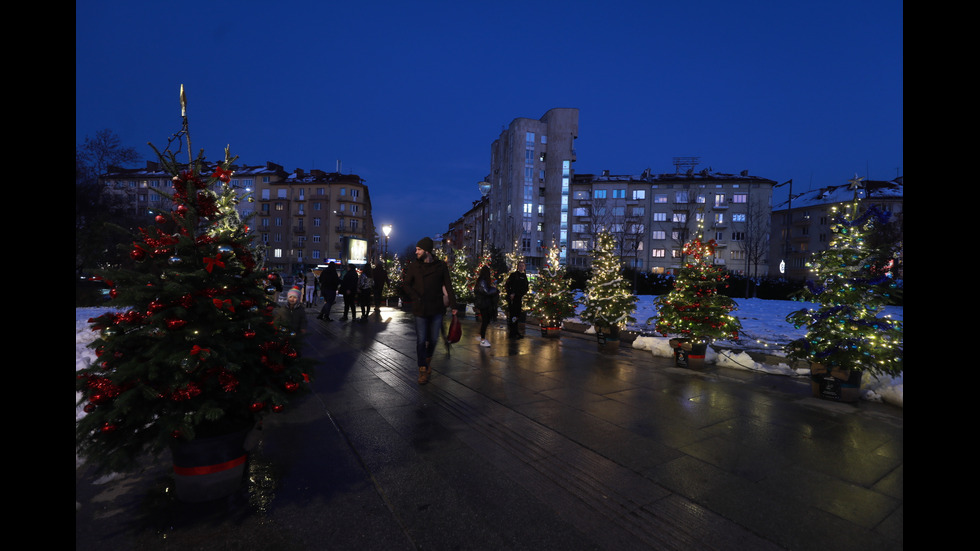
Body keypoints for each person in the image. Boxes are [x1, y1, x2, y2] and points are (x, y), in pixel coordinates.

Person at [403, 237, 456, 384]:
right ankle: (422, 370)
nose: (416, 252)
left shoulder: (440, 266)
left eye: (419, 249)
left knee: (433, 339)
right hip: (420, 309)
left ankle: (427, 361)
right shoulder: (414, 266)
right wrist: (415, 297)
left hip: (436, 308)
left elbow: (449, 286)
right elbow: (406, 285)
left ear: (426, 251)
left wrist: (454, 306)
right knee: (421, 340)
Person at [473, 265, 499, 347]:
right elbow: (487, 291)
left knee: (485, 321)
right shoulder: (483, 281)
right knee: (485, 321)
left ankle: (480, 335)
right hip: (484, 304)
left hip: (483, 303)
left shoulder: (481, 280)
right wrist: (495, 289)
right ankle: (483, 340)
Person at [505, 261, 529, 338]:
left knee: (517, 315)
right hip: (513, 298)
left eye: (523, 265)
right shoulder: (513, 275)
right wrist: (510, 294)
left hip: (519, 298)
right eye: (520, 266)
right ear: (518, 267)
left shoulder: (524, 276)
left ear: (525, 267)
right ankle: (512, 332)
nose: (521, 267)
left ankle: (516, 331)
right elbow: (507, 285)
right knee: (513, 315)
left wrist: (521, 293)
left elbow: (526, 287)